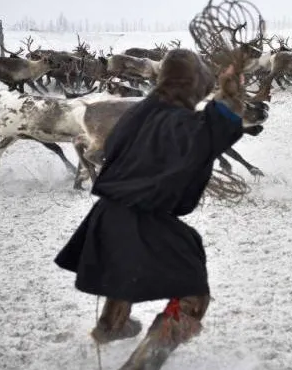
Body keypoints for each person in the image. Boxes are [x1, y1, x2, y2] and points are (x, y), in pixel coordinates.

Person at [54, 49, 257, 370]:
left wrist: (220, 93)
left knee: (126, 268)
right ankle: (142, 365)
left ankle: (111, 327)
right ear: (192, 84)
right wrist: (230, 94)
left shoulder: (140, 112)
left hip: (108, 214)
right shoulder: (177, 121)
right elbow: (212, 131)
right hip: (143, 217)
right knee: (193, 293)